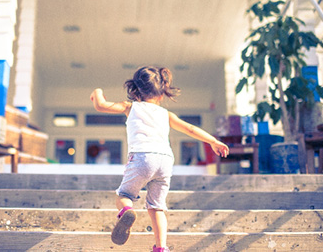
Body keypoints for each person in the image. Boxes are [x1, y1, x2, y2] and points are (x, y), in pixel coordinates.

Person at [90, 66, 229, 252]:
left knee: (124, 195)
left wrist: (97, 92)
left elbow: (101, 105)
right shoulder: (166, 114)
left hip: (142, 157)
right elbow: (190, 129)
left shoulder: (130, 106)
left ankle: (126, 212)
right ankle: (161, 247)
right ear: (162, 94)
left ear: (136, 90)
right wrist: (213, 141)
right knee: (157, 207)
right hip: (164, 161)